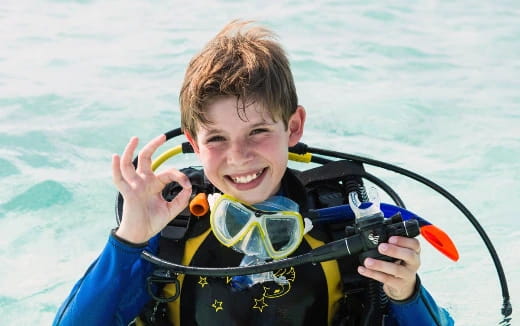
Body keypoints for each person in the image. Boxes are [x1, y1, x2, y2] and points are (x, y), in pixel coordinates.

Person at [53, 20, 454, 326]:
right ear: (194, 143)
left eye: (258, 132)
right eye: (217, 139)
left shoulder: (345, 232)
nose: (239, 157)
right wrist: (129, 241)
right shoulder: (169, 233)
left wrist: (406, 293)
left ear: (293, 127)